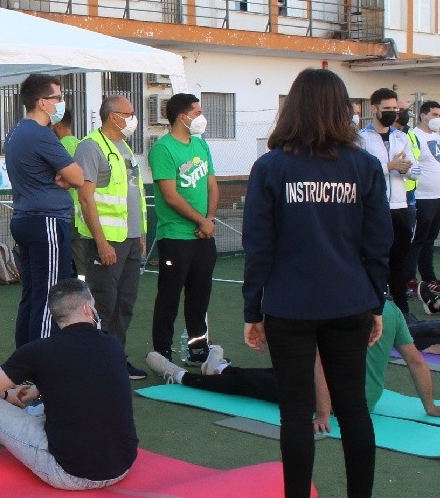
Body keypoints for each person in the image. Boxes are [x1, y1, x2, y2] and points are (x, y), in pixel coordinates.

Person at [241, 68, 392, 498]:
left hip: (291, 305)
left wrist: (252, 308)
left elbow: (258, 245)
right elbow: (377, 243)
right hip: (350, 300)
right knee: (353, 407)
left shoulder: (272, 167)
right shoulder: (364, 166)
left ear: (293, 108)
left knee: (295, 412)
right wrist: (375, 302)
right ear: (343, 108)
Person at [0, 279, 138, 489]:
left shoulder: (40, 350)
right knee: (48, 408)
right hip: (122, 466)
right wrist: (36, 390)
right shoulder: (111, 343)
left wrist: (6, 397)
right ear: (87, 308)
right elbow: (84, 376)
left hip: (70, 473)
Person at [147, 300, 440, 421]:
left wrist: (324, 411)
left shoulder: (334, 308)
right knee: (271, 376)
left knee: (249, 383)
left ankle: (183, 377)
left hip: (325, 396)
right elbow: (415, 360)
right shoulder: (388, 310)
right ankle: (220, 367)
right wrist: (429, 406)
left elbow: (319, 364)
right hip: (366, 399)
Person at [6, 73, 85, 346]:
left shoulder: (18, 131)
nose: (61, 104)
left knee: (33, 295)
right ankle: (39, 366)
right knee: (51, 294)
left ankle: (24, 360)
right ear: (42, 102)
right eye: (58, 98)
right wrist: (67, 176)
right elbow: (77, 177)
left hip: (27, 219)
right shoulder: (41, 134)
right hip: (46, 221)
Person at [72, 95, 148, 380]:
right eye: (128, 114)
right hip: (105, 241)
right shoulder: (91, 147)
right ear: (113, 116)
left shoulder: (124, 147)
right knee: (102, 303)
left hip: (128, 240)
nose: (133, 119)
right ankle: (94, 364)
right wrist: (101, 242)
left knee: (125, 303)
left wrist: (139, 234)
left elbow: (134, 193)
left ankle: (116, 359)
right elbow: (86, 198)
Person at [148, 93, 219, 365]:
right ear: (183, 116)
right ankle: (162, 353)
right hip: (175, 237)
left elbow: (212, 185)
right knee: (169, 297)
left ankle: (197, 349)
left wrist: (209, 218)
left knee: (199, 297)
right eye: (197, 112)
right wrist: (200, 221)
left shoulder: (201, 146)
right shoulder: (163, 149)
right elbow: (170, 195)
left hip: (203, 237)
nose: (202, 118)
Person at [358, 87, 420, 315]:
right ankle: (373, 309)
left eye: (395, 109)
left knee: (399, 262)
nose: (393, 113)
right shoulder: (361, 140)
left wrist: (407, 168)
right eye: (388, 109)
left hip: (400, 208)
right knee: (374, 259)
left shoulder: (401, 137)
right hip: (373, 210)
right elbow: (361, 173)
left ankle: (401, 311)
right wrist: (389, 167)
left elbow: (416, 170)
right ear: (374, 109)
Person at [408, 101, 440, 311]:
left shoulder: (437, 136)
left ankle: (429, 279)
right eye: (435, 114)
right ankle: (409, 280)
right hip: (422, 196)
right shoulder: (415, 136)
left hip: (438, 196)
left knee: (429, 239)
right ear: (423, 115)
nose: (438, 118)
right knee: (417, 240)